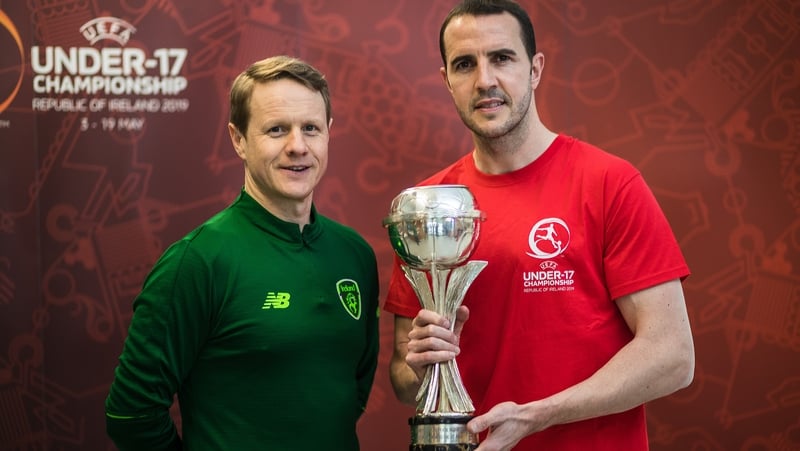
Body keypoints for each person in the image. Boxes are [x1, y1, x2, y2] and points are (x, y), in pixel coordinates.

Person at [384, 1, 695, 450]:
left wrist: (537, 416)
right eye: (465, 64)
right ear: (446, 80)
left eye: (502, 58)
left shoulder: (609, 183)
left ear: (535, 69)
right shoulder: (428, 209)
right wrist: (419, 365)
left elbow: (672, 357)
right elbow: (402, 382)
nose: (485, 80)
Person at [106, 55, 380, 451]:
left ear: (328, 134)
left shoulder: (355, 254)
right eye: (276, 130)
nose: (297, 147)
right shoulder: (197, 261)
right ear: (238, 140)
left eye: (311, 129)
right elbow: (130, 414)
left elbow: (350, 392)